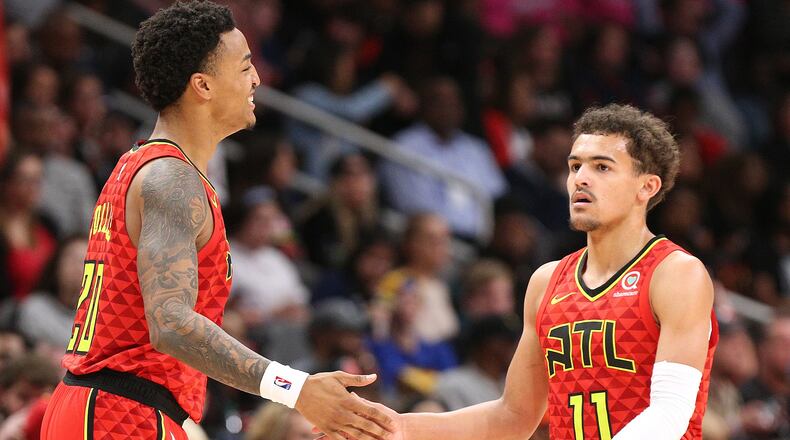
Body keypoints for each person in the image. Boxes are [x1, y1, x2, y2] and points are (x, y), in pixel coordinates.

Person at [39, 2, 394, 440]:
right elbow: (171, 321)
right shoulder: (171, 178)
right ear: (202, 85)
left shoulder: (150, 166)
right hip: (119, 411)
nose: (258, 79)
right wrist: (295, 388)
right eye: (245, 67)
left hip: (122, 406)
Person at [342, 104, 719, 439]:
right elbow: (512, 417)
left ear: (646, 187)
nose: (581, 179)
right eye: (575, 166)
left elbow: (670, 413)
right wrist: (399, 426)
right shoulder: (546, 282)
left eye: (602, 166)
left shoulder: (676, 273)